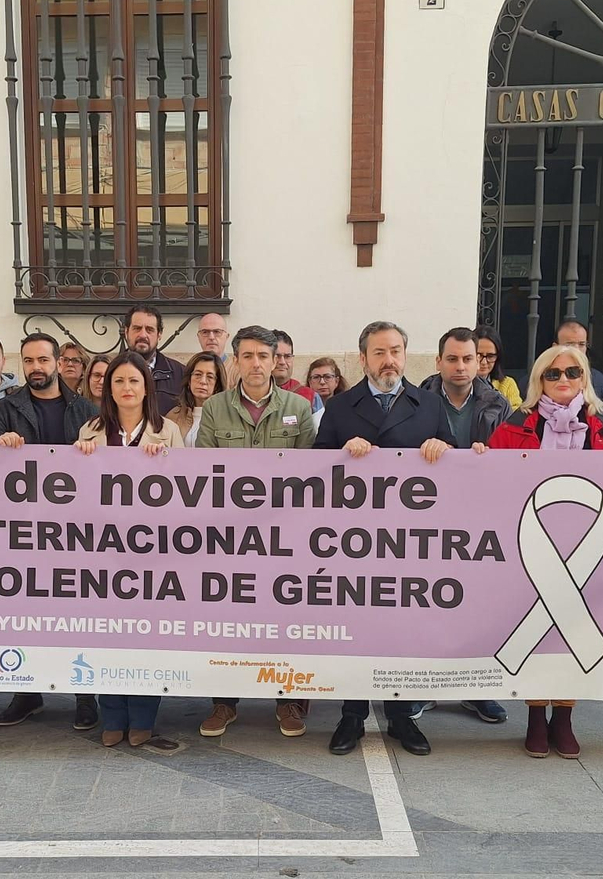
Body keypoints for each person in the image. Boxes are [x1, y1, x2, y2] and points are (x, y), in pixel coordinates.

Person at [488, 344, 603, 759]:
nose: (564, 380)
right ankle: (534, 715)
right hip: (534, 547)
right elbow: (489, 481)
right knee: (539, 629)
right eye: (553, 373)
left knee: (572, 631)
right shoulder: (515, 424)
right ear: (539, 380)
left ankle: (563, 717)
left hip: (589, 551)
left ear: (585, 379)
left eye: (573, 373)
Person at [315, 321, 452, 758]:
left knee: (400, 629)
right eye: (379, 352)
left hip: (408, 543)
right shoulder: (339, 408)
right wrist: (342, 453)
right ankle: (351, 714)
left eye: (395, 350)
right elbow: (314, 471)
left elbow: (455, 465)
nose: (388, 359)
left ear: (405, 354)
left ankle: (400, 716)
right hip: (352, 544)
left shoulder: (429, 404)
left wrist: (441, 449)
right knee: (356, 628)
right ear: (363, 359)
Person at [195, 325, 318, 737]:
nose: (256, 364)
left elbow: (309, 476)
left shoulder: (298, 409)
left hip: (284, 538)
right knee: (228, 620)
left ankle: (287, 701)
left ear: (276, 360)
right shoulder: (214, 409)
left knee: (283, 619)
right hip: (228, 539)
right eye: (246, 356)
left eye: (263, 356)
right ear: (236, 360)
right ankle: (224, 703)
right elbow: (205, 475)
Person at [0, 334, 101, 730]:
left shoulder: (85, 408)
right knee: (26, 611)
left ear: (58, 362)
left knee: (78, 610)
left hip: (76, 531)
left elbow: (104, 464)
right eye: (29, 359)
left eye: (43, 359)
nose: (36, 366)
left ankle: (85, 695)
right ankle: (26, 692)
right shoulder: (7, 407)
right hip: (25, 529)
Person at [76, 350, 184, 752]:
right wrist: (81, 461)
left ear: (146, 387)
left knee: (146, 637)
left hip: (153, 555)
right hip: (103, 553)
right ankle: (113, 716)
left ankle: (142, 718)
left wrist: (166, 464)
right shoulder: (89, 430)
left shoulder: (168, 431)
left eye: (134, 381)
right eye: (118, 381)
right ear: (108, 388)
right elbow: (73, 493)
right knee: (106, 635)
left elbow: (189, 493)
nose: (126, 388)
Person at [413, 327, 511, 725]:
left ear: (479, 361)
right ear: (438, 362)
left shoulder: (498, 404)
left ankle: (476, 690)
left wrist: (489, 456)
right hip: (425, 519)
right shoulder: (414, 401)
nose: (460, 366)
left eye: (468, 359)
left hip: (479, 520)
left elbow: (512, 459)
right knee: (427, 603)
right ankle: (423, 689)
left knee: (478, 605)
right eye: (452, 359)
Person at [123, 305, 185, 412]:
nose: (143, 335)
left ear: (159, 334)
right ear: (126, 332)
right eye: (137, 328)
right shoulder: (110, 371)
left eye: (149, 329)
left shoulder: (181, 374)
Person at [166, 351, 222, 444]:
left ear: (217, 385)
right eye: (198, 375)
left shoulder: (227, 416)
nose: (203, 381)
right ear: (189, 380)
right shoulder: (174, 416)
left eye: (210, 377)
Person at [270, 329, 324, 414]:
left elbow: (319, 427)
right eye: (277, 356)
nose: (282, 362)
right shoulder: (253, 395)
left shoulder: (311, 397)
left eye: (287, 356)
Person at [554, 319, 603, 397]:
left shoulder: (598, 379)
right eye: (570, 344)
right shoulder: (545, 375)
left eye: (582, 344)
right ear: (555, 347)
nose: (577, 349)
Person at [475, 324, 522, 410]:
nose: (484, 362)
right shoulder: (460, 382)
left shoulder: (508, 384)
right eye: (479, 355)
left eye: (490, 356)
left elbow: (516, 415)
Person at [194, 312, 232, 387]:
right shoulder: (190, 368)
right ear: (199, 337)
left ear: (226, 336)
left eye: (217, 332)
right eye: (205, 332)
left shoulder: (237, 370)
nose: (211, 337)